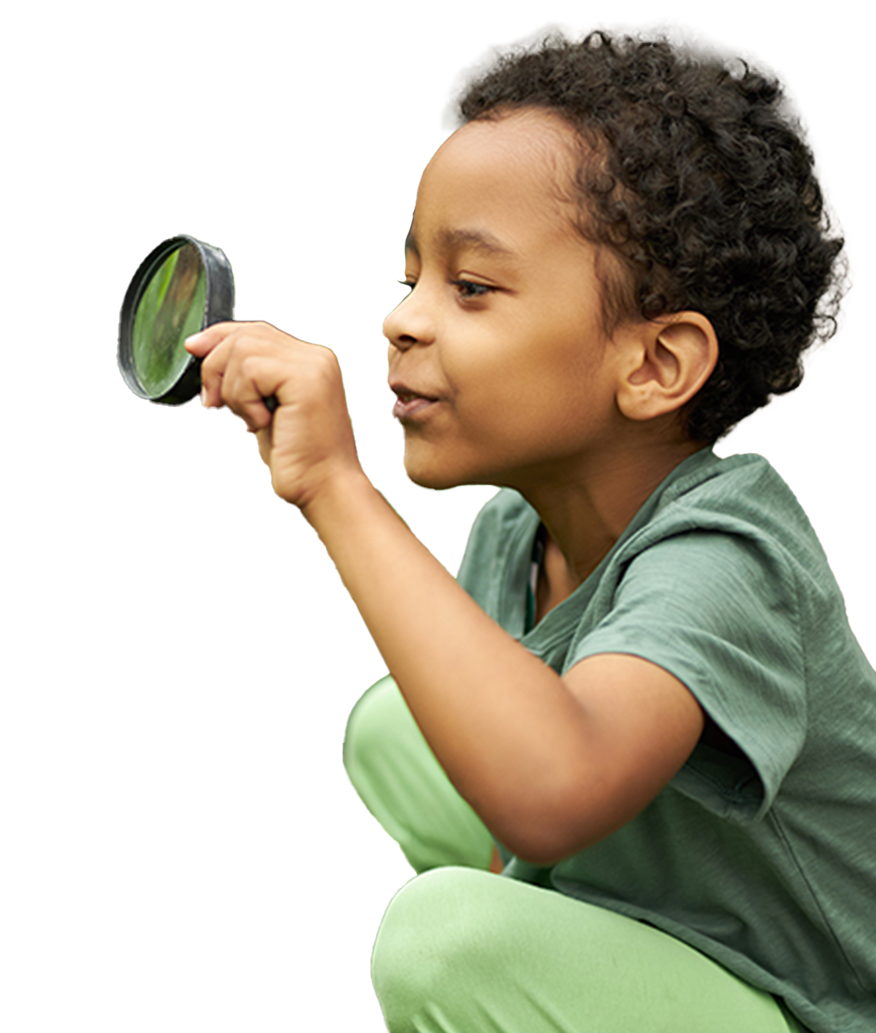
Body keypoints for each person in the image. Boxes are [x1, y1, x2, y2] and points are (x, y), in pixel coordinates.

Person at [184, 27, 875, 1033]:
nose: (403, 321)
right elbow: (523, 824)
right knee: (392, 727)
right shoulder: (518, 534)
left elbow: (550, 792)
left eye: (471, 287)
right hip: (682, 935)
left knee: (444, 940)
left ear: (653, 365)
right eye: (409, 280)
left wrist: (336, 483)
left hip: (818, 1009)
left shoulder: (729, 562)